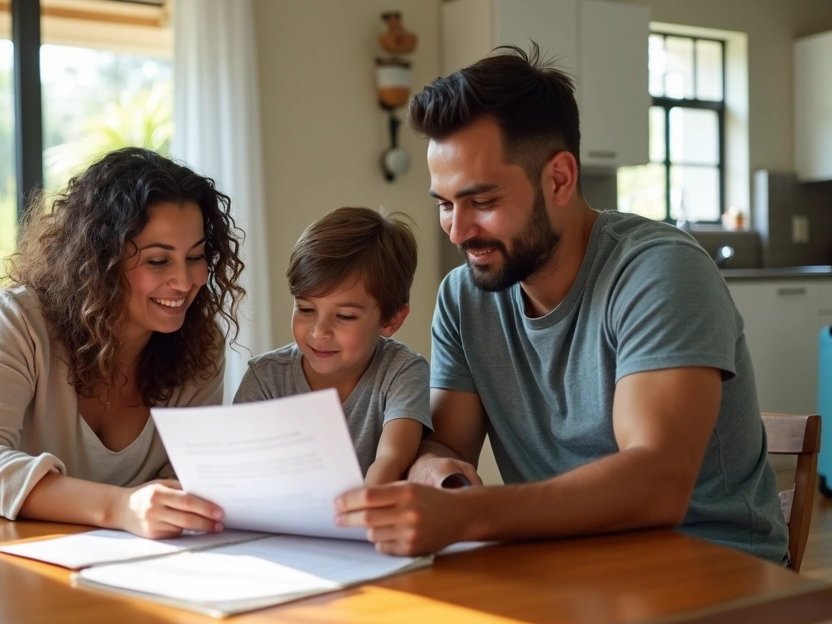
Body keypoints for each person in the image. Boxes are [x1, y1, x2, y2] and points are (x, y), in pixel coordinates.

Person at [333, 45, 789, 564]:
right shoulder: (465, 297)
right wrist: (438, 474)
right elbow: (448, 448)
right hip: (567, 565)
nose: (458, 231)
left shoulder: (660, 271)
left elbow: (657, 482)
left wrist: (469, 515)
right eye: (445, 204)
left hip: (710, 568)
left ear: (559, 179)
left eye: (482, 202)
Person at [0, 148, 244, 539]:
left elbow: (185, 483)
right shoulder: (18, 320)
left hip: (88, 564)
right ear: (101, 260)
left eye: (196, 256)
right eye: (157, 261)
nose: (184, 281)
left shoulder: (200, 345)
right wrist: (121, 507)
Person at [234, 207, 429, 486]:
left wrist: (360, 514)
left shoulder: (402, 372)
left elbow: (392, 459)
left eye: (345, 316)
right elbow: (238, 470)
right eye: (305, 308)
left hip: (365, 522)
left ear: (391, 319)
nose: (318, 331)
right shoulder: (265, 378)